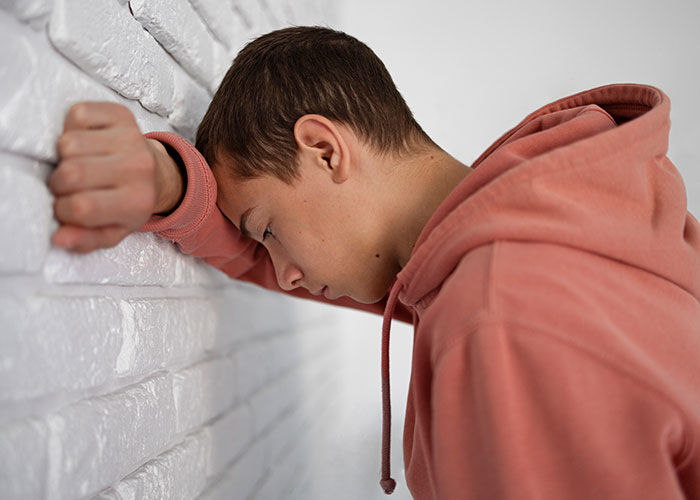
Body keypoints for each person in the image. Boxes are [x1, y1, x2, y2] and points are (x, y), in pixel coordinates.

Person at [48, 26, 700, 500]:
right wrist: (173, 187)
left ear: (325, 151)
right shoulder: (565, 222)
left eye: (270, 230)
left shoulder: (502, 310)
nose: (285, 271)